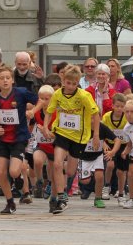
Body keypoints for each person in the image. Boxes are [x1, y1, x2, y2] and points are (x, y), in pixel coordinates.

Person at [41, 65, 100, 215]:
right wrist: (46, 127)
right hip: (61, 133)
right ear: (63, 81)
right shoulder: (57, 95)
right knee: (57, 164)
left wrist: (96, 135)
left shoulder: (84, 96)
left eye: (74, 84)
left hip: (79, 137)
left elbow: (96, 114)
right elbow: (49, 111)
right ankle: (60, 198)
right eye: (68, 83)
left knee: (69, 171)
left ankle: (57, 192)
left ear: (78, 82)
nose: (71, 86)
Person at [0, 66, 42, 214]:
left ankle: (18, 178)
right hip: (2, 139)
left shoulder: (21, 93)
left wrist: (32, 111)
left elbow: (40, 101)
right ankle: (10, 203)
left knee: (14, 171)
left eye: (8, 78)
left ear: (12, 80)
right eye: (1, 78)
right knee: (1, 173)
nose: (5, 81)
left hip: (19, 138)